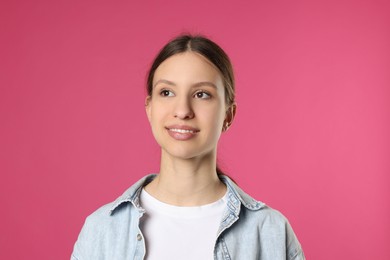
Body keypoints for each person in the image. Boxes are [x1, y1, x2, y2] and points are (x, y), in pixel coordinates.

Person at [71, 34, 305, 260]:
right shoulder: (102, 230)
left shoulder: (270, 231)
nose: (182, 110)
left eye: (201, 94)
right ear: (149, 108)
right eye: (167, 92)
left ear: (228, 114)